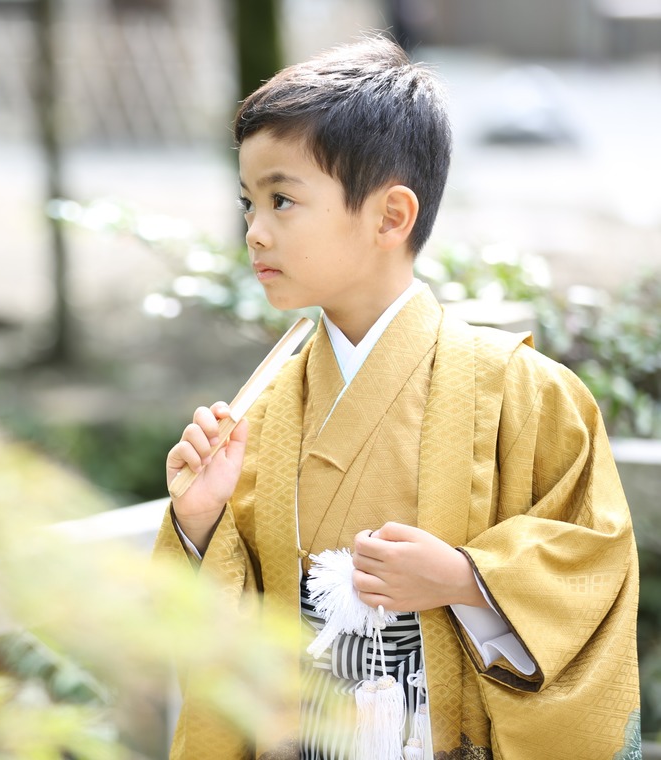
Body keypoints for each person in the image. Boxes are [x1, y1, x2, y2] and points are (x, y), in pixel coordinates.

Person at [154, 36, 640, 760]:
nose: (254, 231)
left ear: (389, 217)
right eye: (249, 202)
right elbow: (222, 635)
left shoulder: (526, 392)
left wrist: (466, 580)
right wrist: (199, 524)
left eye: (282, 199)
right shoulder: (262, 411)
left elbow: (592, 563)